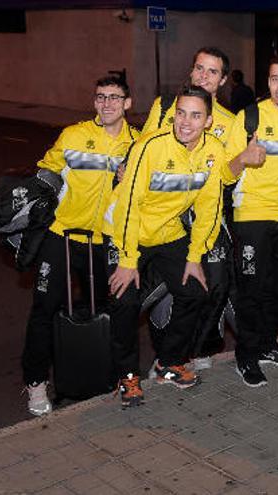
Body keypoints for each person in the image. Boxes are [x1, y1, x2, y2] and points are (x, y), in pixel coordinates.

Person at [108, 85, 237, 407]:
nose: (185, 122)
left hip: (169, 233)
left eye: (195, 115)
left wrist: (195, 257)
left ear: (208, 121)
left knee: (194, 291)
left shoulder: (214, 151)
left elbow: (209, 209)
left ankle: (169, 362)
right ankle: (127, 377)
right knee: (123, 302)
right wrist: (127, 259)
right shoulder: (149, 146)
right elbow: (128, 205)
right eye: (181, 113)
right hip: (130, 232)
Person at [21, 76, 139, 416]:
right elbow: (46, 172)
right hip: (63, 234)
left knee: (111, 309)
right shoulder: (73, 134)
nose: (107, 104)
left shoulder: (138, 144)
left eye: (115, 98)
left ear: (127, 103)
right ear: (94, 101)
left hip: (105, 241)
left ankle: (115, 373)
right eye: (101, 97)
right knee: (44, 308)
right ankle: (35, 382)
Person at [224, 54, 278, 387]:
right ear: (268, 82)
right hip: (251, 216)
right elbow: (224, 174)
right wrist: (243, 158)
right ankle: (246, 356)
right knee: (252, 289)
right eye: (275, 78)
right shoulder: (250, 117)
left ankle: (267, 344)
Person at [142, 47, 236, 143]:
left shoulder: (231, 123)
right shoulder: (164, 105)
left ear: (223, 80)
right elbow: (143, 146)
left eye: (212, 72)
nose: (203, 75)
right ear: (192, 71)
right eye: (199, 68)